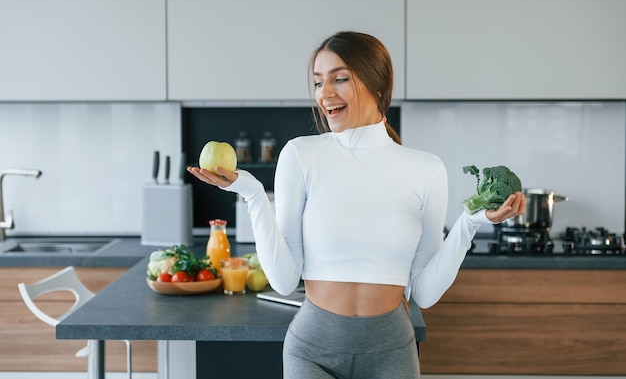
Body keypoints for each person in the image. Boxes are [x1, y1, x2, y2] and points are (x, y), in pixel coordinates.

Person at [188, 31, 526, 379]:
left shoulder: (427, 169)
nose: (325, 93)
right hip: (311, 351)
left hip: (390, 352)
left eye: (340, 78)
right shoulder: (301, 155)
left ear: (378, 86)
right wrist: (253, 193)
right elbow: (285, 280)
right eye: (318, 82)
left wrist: (470, 223)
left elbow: (424, 293)